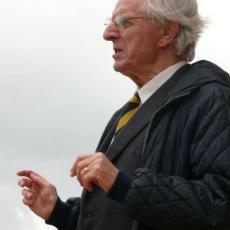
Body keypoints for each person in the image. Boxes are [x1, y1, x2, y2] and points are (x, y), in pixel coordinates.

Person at [17, 0, 230, 229]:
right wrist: (59, 212)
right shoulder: (127, 113)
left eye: (124, 22)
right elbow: (120, 216)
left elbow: (220, 205)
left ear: (167, 33)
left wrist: (122, 185)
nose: (107, 34)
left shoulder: (212, 98)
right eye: (110, 23)